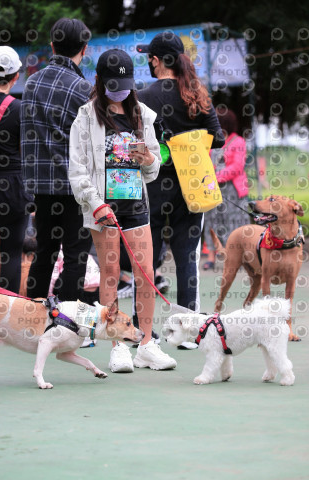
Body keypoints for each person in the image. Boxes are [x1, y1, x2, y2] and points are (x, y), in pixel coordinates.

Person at [69, 48, 177, 372]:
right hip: (104, 209)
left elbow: (153, 169)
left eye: (124, 85)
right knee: (112, 275)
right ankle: (117, 345)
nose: (119, 92)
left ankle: (146, 344)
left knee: (145, 275)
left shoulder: (143, 114)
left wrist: (148, 160)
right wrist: (96, 203)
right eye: (112, 86)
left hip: (137, 207)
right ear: (99, 82)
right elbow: (77, 171)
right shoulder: (85, 117)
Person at [135, 33, 225, 317]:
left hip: (152, 186)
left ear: (157, 61)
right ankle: (188, 328)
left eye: (150, 57)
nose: (149, 62)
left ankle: (143, 326)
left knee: (147, 258)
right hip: (192, 184)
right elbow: (218, 138)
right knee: (186, 256)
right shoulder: (197, 93)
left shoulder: (143, 96)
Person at [21, 18, 93, 301]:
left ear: (52, 46)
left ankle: (36, 320)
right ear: (84, 49)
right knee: (76, 256)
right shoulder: (84, 90)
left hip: (40, 186)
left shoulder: (31, 83)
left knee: (44, 253)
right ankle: (67, 323)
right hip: (75, 188)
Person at [0, 46, 31, 293]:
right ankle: (6, 319)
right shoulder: (19, 109)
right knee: (12, 254)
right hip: (13, 187)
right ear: (16, 76)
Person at [203, 109, 250, 269]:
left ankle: (238, 257)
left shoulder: (238, 142)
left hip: (232, 191)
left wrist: (216, 177)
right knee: (212, 221)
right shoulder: (212, 142)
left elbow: (237, 166)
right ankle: (211, 256)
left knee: (235, 223)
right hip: (213, 189)